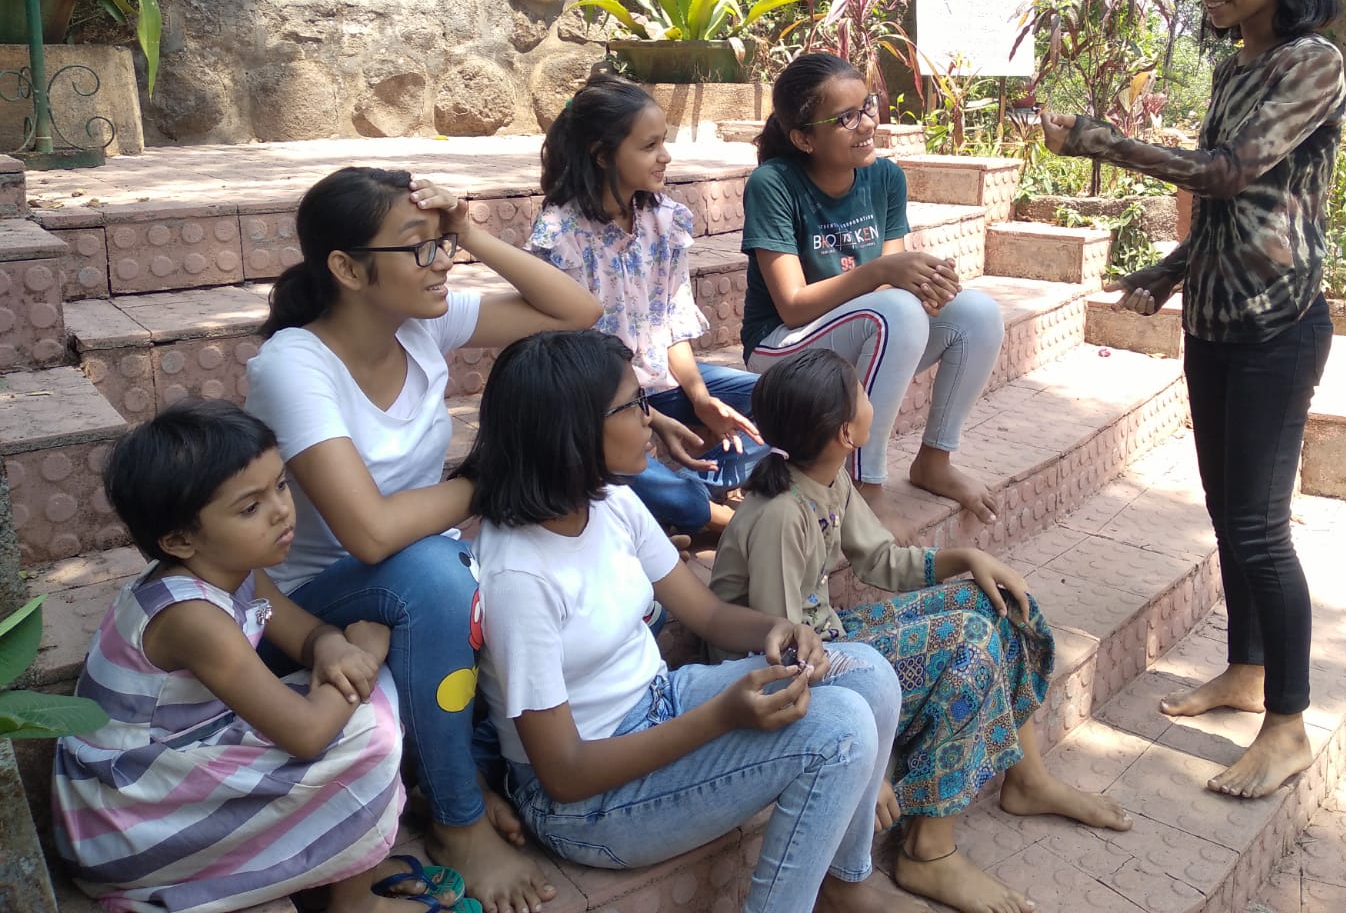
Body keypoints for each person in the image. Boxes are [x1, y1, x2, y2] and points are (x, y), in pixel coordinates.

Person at [1041, 0, 1345, 799]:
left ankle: (1288, 725)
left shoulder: (1312, 63)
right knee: (1225, 510)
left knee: (1259, 528)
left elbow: (1225, 173)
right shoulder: (1233, 69)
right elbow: (1228, 212)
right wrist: (1167, 274)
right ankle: (1247, 670)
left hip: (1279, 327)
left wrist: (1098, 140)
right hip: (1214, 320)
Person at [458, 330, 922, 913]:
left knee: (869, 675)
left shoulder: (608, 502)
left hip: (659, 703)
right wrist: (721, 716)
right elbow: (564, 774)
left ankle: (842, 882)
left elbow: (706, 612)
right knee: (841, 732)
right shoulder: (519, 576)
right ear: (571, 432)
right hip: (587, 805)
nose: (649, 418)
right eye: (633, 405)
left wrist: (775, 630)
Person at [244, 165, 603, 913]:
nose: (442, 263)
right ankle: (457, 819)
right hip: (310, 604)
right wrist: (499, 477)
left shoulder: (421, 321)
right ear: (348, 269)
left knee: (539, 553)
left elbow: (577, 310)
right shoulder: (295, 365)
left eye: (443, 244)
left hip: (413, 575)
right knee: (439, 573)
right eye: (420, 247)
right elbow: (369, 532)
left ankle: (462, 765)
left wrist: (469, 230)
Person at [710, 348, 1132, 913]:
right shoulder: (781, 516)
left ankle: (1027, 779)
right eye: (862, 394)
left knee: (998, 604)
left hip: (827, 641)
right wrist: (864, 758)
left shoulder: (826, 479)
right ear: (845, 433)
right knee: (970, 642)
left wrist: (966, 559)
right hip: (772, 675)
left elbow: (882, 561)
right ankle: (928, 850)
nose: (871, 399)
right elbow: (783, 656)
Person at [52, 401, 431, 913]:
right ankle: (354, 900)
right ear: (180, 540)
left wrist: (332, 645)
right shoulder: (191, 617)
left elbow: (306, 633)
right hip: (125, 820)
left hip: (173, 760)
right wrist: (365, 649)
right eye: (250, 507)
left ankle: (343, 859)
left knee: (352, 695)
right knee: (369, 730)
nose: (281, 510)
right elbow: (306, 735)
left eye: (281, 485)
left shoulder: (233, 568)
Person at [741, 53, 1005, 542]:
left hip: (855, 336)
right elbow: (792, 305)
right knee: (897, 312)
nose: (866, 124)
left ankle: (935, 460)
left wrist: (925, 284)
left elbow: (891, 290)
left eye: (867, 106)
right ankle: (863, 486)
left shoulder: (885, 177)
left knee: (977, 314)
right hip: (781, 351)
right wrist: (883, 272)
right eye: (845, 118)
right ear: (803, 138)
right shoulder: (773, 184)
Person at [528, 75, 768, 537]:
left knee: (784, 400)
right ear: (602, 155)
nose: (666, 155)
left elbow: (670, 323)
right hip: (600, 403)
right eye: (649, 145)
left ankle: (682, 501)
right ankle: (696, 511)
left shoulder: (665, 219)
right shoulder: (560, 236)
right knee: (598, 456)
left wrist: (700, 399)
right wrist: (650, 421)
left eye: (664, 141)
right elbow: (573, 368)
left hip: (662, 384)